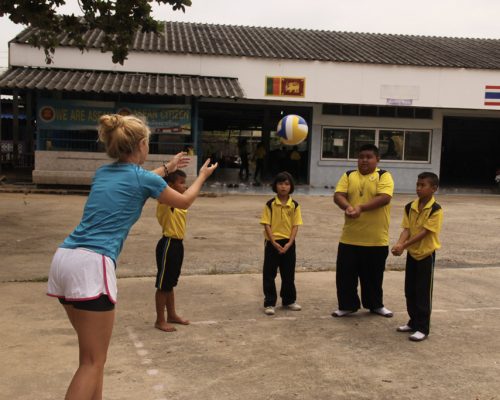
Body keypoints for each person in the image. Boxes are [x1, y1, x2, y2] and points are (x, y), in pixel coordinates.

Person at [46, 114, 217, 400]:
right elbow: (184, 201)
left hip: (65, 258)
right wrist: (202, 176)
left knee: (92, 359)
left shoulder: (102, 172)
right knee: (92, 363)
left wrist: (167, 167)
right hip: (91, 264)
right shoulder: (143, 179)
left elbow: (137, 178)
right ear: (141, 144)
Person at [332, 144, 394, 318]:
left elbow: (384, 198)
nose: (364, 160)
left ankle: (375, 305)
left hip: (375, 239)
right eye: (361, 157)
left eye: (369, 157)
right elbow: (338, 195)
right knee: (345, 276)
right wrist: (348, 207)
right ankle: (347, 305)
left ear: (377, 159)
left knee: (373, 277)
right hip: (349, 238)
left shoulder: (384, 175)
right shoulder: (349, 175)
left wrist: (360, 208)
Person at [391, 172, 443, 342]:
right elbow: (406, 229)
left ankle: (422, 327)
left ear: (433, 188)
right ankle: (413, 322)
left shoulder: (436, 210)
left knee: (423, 292)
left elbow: (424, 233)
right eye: (417, 185)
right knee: (410, 290)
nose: (418, 188)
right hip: (412, 255)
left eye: (423, 185)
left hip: (426, 255)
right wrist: (399, 244)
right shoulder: (410, 206)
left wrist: (403, 246)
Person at [260, 171, 303, 315]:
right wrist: (273, 242)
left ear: (291, 186)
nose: (283, 187)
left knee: (288, 274)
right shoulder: (270, 204)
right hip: (272, 243)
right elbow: (266, 224)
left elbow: (295, 225)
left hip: (288, 244)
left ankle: (289, 300)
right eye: (280, 183)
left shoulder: (295, 205)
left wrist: (290, 243)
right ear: (275, 186)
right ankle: (270, 303)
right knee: (269, 274)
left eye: (286, 184)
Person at [154, 170, 190, 332]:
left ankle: (172, 315)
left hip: (177, 244)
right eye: (181, 182)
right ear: (170, 186)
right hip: (168, 243)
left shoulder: (179, 203)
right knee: (163, 285)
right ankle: (159, 320)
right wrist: (169, 167)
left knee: (170, 283)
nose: (185, 186)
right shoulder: (165, 201)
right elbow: (160, 186)